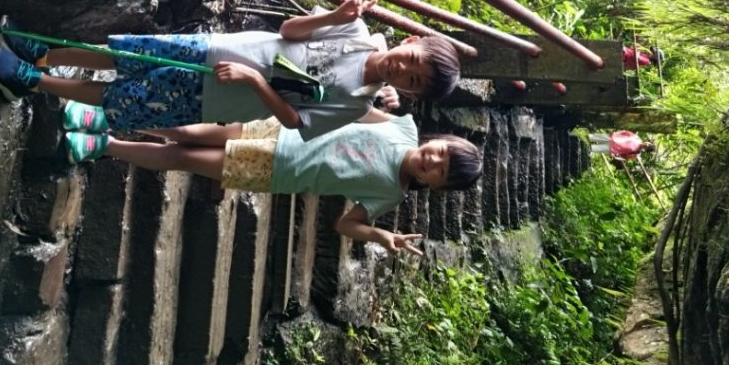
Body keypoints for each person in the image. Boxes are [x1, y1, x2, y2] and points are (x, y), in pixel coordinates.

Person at [0, 0, 461, 140]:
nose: (404, 71)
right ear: (412, 40)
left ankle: (33, 82)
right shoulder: (355, 33)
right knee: (123, 56)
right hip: (219, 48)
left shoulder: (356, 104)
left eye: (413, 81)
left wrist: (256, 82)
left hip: (215, 95)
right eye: (413, 60)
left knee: (119, 96)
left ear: (413, 94)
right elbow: (290, 31)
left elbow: (297, 122)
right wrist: (334, 15)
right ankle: (43, 53)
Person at [64, 114, 483, 256]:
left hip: (276, 171)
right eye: (441, 153)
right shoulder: (403, 127)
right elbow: (358, 105)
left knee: (182, 157)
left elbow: (344, 225)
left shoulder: (390, 193)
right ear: (439, 141)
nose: (432, 161)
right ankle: (108, 118)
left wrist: (381, 235)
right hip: (279, 128)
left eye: (438, 172)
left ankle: (106, 146)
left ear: (435, 186)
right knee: (191, 130)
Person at [589, 130, 656, 162]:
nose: (646, 145)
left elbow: (625, 158)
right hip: (611, 137)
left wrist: (615, 157)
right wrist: (615, 133)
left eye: (647, 147)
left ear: (646, 150)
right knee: (590, 137)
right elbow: (625, 132)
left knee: (591, 148)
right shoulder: (636, 137)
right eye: (648, 144)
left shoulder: (636, 153)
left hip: (610, 149)